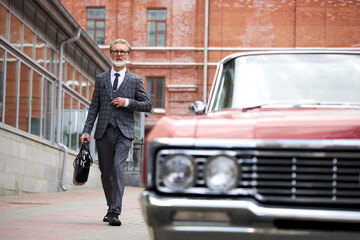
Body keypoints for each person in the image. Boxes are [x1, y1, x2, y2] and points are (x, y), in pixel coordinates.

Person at [80, 38, 152, 226]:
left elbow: (147, 105)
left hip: (124, 132)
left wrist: (127, 102)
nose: (119, 54)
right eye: (116, 51)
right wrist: (86, 130)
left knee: (118, 168)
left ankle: (114, 212)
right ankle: (111, 204)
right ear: (111, 54)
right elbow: (94, 107)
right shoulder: (101, 79)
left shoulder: (135, 80)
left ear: (128, 55)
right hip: (103, 132)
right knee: (106, 172)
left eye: (123, 51)